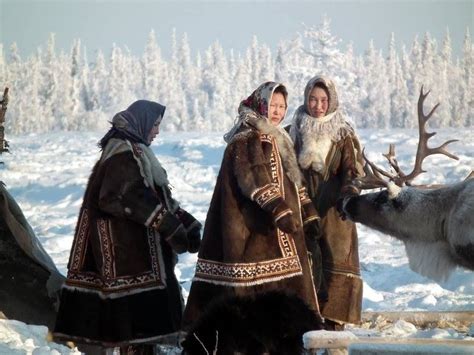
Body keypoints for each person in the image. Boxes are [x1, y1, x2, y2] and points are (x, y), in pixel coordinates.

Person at [53, 100, 202, 354]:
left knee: (140, 330)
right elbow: (123, 194)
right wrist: (167, 224)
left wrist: (185, 222)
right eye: (154, 126)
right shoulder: (121, 149)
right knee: (134, 328)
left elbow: (153, 193)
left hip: (135, 253)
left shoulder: (136, 149)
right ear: (142, 123)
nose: (156, 132)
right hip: (124, 254)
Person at [183, 81, 321, 329]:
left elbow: (292, 180)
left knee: (282, 288)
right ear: (260, 104)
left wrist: (307, 211)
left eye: (282, 106)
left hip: (277, 227)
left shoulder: (278, 138)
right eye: (272, 105)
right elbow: (253, 178)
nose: (278, 111)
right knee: (256, 293)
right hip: (252, 228)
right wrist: (278, 208)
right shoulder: (247, 137)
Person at [288, 76, 364, 330]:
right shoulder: (294, 129)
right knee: (306, 261)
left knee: (336, 259)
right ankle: (307, 318)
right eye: (313, 99)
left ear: (331, 101)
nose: (318, 105)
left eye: (323, 100)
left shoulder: (343, 132)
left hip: (334, 209)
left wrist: (349, 192)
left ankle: (335, 321)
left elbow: (352, 168)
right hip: (303, 207)